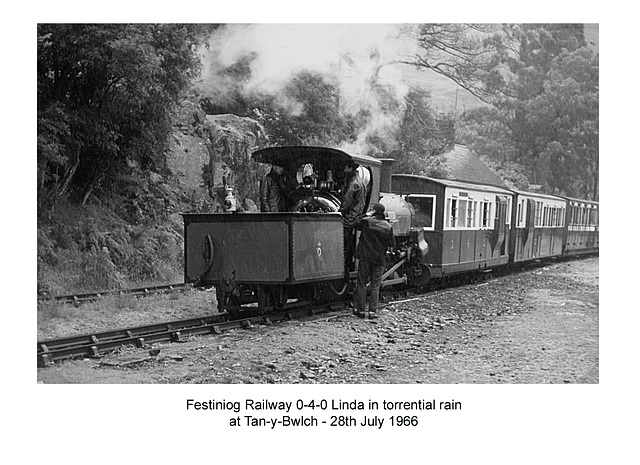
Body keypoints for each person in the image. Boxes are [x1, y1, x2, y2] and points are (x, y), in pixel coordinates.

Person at [354, 202, 395, 319]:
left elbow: (355, 223)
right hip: (379, 260)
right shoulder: (388, 226)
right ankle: (372, 311)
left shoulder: (367, 222)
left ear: (374, 211)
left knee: (361, 284)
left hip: (365, 257)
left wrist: (365, 214)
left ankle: (361, 310)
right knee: (375, 286)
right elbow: (392, 244)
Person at [339, 162, 366, 269]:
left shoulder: (353, 184)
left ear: (350, 168)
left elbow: (347, 202)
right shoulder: (360, 181)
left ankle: (346, 262)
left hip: (350, 216)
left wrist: (339, 212)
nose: (344, 170)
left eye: (345, 167)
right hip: (356, 214)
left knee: (344, 238)